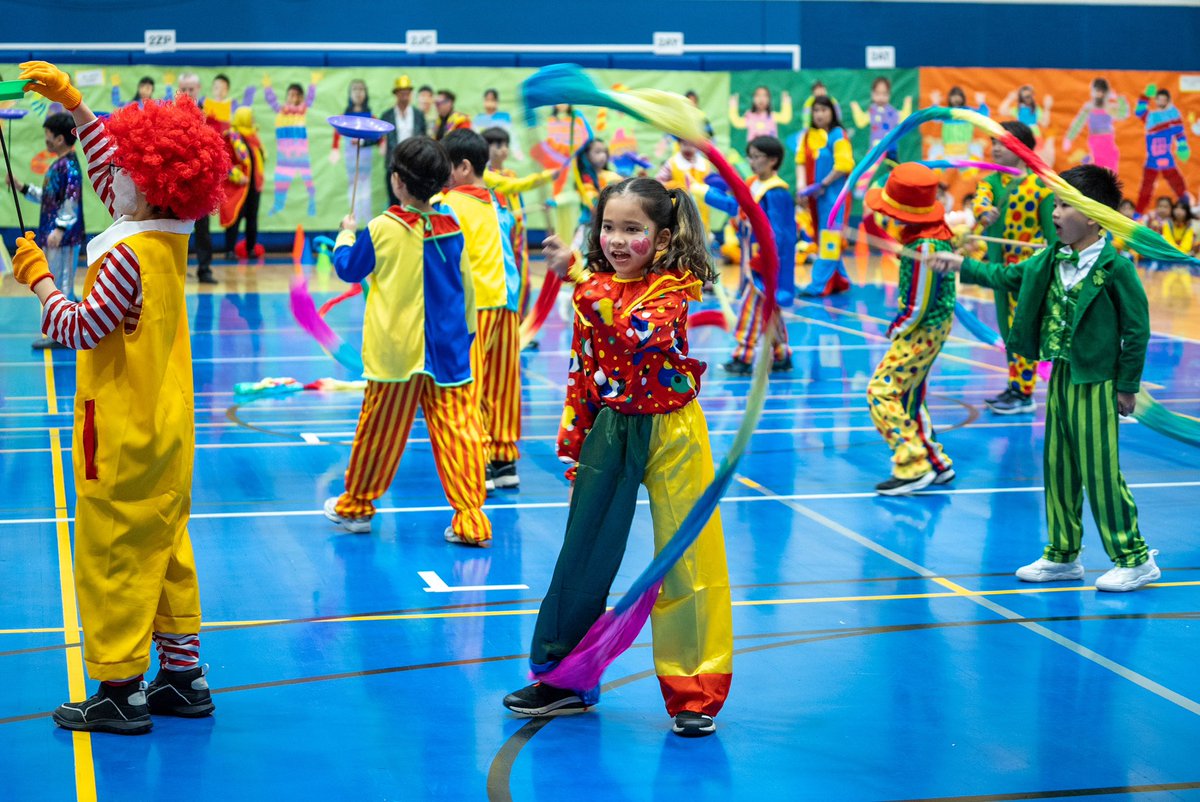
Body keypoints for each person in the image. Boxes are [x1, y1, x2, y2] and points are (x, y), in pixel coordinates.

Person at [14, 60, 229, 733]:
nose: (111, 182)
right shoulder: (166, 236)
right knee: (167, 553)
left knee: (113, 559)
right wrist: (78, 107)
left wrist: (40, 281)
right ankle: (182, 678)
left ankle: (117, 690)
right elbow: (116, 172)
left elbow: (81, 327)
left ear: (152, 181)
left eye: (127, 172)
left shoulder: (125, 256)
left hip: (121, 434)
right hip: (167, 434)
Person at [502, 178, 733, 738]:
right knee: (583, 555)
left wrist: (579, 278)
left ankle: (694, 691)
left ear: (661, 236)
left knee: (686, 557)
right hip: (612, 427)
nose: (617, 240)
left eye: (633, 229)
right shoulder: (593, 287)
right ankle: (563, 680)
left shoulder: (673, 288)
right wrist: (575, 442)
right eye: (609, 227)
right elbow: (584, 368)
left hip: (672, 430)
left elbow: (634, 334)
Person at [930, 165, 1160, 592]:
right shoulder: (1050, 258)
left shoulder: (1116, 268)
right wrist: (959, 263)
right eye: (1055, 203)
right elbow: (1006, 276)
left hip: (1097, 382)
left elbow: (1137, 329)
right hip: (1062, 376)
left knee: (1100, 471)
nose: (1054, 213)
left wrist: (1128, 384)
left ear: (1093, 216)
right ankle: (1063, 553)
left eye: (1064, 204)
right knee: (1059, 466)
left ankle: (1134, 557)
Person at [323, 137, 491, 546]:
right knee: (459, 434)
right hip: (447, 354)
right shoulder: (452, 229)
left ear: (398, 181)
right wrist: (465, 337)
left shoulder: (381, 227)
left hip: (395, 356)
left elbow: (348, 268)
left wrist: (346, 235)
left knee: (378, 432)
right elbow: (466, 289)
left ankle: (358, 506)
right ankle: (470, 519)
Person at [863, 164, 957, 495]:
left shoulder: (925, 247)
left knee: (881, 391)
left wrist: (897, 328)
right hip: (930, 326)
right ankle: (934, 461)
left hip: (922, 329)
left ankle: (913, 463)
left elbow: (918, 302)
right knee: (910, 393)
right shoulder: (929, 236)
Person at [439, 129, 523, 489]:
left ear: (463, 167)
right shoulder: (499, 201)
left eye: (446, 166)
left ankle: (481, 458)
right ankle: (504, 459)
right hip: (507, 301)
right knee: (504, 384)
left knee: (472, 383)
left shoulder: (448, 204)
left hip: (476, 306)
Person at [971, 120, 1056, 414]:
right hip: (999, 271)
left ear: (1020, 149)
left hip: (1027, 272)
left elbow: (1054, 233)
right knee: (1009, 329)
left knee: (1023, 329)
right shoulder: (992, 181)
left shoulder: (1040, 187)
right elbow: (980, 200)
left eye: (1002, 143)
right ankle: (1016, 385)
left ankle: (1023, 391)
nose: (995, 148)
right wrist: (983, 211)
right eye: (993, 142)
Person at [696, 136, 795, 372]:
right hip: (751, 260)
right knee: (769, 310)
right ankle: (781, 353)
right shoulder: (753, 185)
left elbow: (781, 233)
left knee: (750, 308)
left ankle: (744, 356)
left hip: (764, 263)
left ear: (773, 161)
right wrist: (704, 192)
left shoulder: (776, 191)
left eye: (757, 156)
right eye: (750, 156)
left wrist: (768, 260)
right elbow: (735, 207)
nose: (752, 161)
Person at [8, 112, 85, 348]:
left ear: (60, 139)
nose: (46, 140)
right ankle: (70, 320)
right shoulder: (58, 165)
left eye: (48, 135)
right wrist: (22, 188)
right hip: (56, 237)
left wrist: (60, 229)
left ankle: (63, 335)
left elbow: (70, 202)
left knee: (61, 283)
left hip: (63, 238)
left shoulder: (69, 166)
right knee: (61, 281)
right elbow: (50, 199)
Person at [481, 126, 556, 317]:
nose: (503, 149)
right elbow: (515, 188)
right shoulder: (486, 177)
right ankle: (506, 319)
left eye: (505, 144)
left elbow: (518, 201)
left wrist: (540, 206)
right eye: (497, 145)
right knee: (505, 277)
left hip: (518, 234)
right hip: (500, 234)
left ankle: (521, 320)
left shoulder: (510, 174)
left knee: (523, 279)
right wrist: (545, 176)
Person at [796, 96, 854, 296]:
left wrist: (823, 184)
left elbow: (844, 165)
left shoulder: (838, 135)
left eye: (824, 110)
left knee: (829, 238)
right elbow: (802, 163)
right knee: (826, 238)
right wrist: (806, 189)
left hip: (834, 200)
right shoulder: (815, 137)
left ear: (832, 112)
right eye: (816, 110)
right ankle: (842, 278)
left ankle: (818, 284)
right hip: (820, 199)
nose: (819, 114)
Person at [176, 72, 218, 284]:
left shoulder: (209, 114)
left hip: (200, 180)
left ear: (199, 89)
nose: (188, 93)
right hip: (177, 181)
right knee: (172, 226)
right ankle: (174, 269)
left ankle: (204, 268)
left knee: (203, 227)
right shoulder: (172, 114)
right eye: (184, 89)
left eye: (191, 89)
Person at [264, 73, 321, 217]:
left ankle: (312, 203)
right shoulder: (281, 110)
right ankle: (278, 205)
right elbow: (272, 101)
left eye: (296, 95)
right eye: (290, 94)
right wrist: (267, 87)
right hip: (285, 155)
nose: (292, 97)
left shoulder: (302, 110)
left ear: (300, 97)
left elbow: (310, 100)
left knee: (307, 180)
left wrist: (313, 83)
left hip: (301, 154)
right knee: (280, 182)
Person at [329, 78, 384, 223]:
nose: (358, 93)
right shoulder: (345, 117)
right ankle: (353, 217)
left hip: (365, 159)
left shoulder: (371, 117)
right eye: (355, 89)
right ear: (349, 93)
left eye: (361, 89)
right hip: (350, 158)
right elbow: (336, 132)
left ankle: (366, 218)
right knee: (352, 186)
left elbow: (379, 135)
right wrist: (334, 149)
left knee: (365, 189)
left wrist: (382, 144)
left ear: (366, 93)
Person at [1134, 85, 1190, 214]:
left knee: (1177, 183)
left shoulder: (1172, 114)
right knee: (1146, 187)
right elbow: (1139, 112)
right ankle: (1138, 213)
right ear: (1156, 100)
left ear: (1168, 100)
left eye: (1164, 99)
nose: (1161, 102)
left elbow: (1179, 132)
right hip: (1152, 159)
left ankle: (1186, 209)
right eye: (1159, 99)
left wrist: (1182, 146)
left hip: (1165, 158)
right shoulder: (1152, 116)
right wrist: (1145, 97)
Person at [220, 107, 265, 260]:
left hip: (253, 187)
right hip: (238, 186)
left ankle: (251, 249)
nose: (252, 120)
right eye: (250, 117)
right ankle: (229, 250)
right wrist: (237, 176)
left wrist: (259, 178)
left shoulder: (253, 138)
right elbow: (224, 161)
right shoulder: (231, 136)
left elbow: (259, 160)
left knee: (252, 218)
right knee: (235, 218)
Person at [1063, 78, 1129, 173]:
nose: (1100, 94)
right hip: (1095, 140)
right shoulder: (1089, 107)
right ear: (1093, 92)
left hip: (1108, 140)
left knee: (1111, 166)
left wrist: (1118, 98)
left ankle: (1085, 159)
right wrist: (1069, 138)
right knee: (1098, 167)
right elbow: (1078, 123)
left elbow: (1123, 114)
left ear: (1106, 93)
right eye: (1098, 91)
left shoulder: (1109, 107)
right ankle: (1085, 159)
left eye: (1103, 92)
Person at [380, 75, 426, 206]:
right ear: (396, 94)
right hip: (393, 163)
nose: (405, 96)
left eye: (407, 92)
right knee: (394, 201)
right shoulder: (387, 115)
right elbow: (378, 136)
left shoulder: (418, 115)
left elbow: (423, 138)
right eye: (402, 92)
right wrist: (361, 141)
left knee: (415, 199)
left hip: (415, 163)